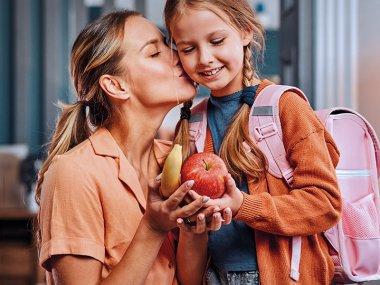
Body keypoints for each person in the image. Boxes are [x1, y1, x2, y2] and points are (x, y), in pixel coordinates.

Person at [35, 10, 232, 285]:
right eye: (154, 53)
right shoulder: (73, 173)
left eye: (167, 43)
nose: (178, 56)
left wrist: (194, 230)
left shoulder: (177, 159)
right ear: (115, 86)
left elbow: (189, 279)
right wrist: (152, 228)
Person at [164, 0, 343, 284]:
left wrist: (243, 205)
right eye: (188, 49)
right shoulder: (190, 123)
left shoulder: (285, 106)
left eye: (217, 41)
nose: (205, 58)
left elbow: (325, 203)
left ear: (245, 32)